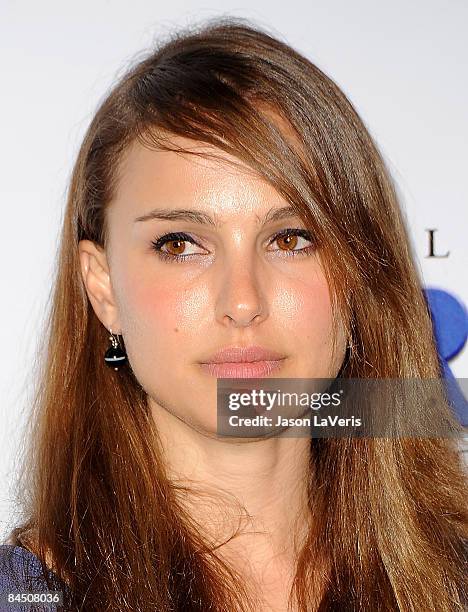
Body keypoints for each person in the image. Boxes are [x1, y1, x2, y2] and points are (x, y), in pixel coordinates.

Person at [1, 16, 467, 612]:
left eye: (292, 238)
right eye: (180, 244)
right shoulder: (23, 597)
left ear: (356, 275)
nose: (243, 301)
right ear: (103, 288)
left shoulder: (451, 578)